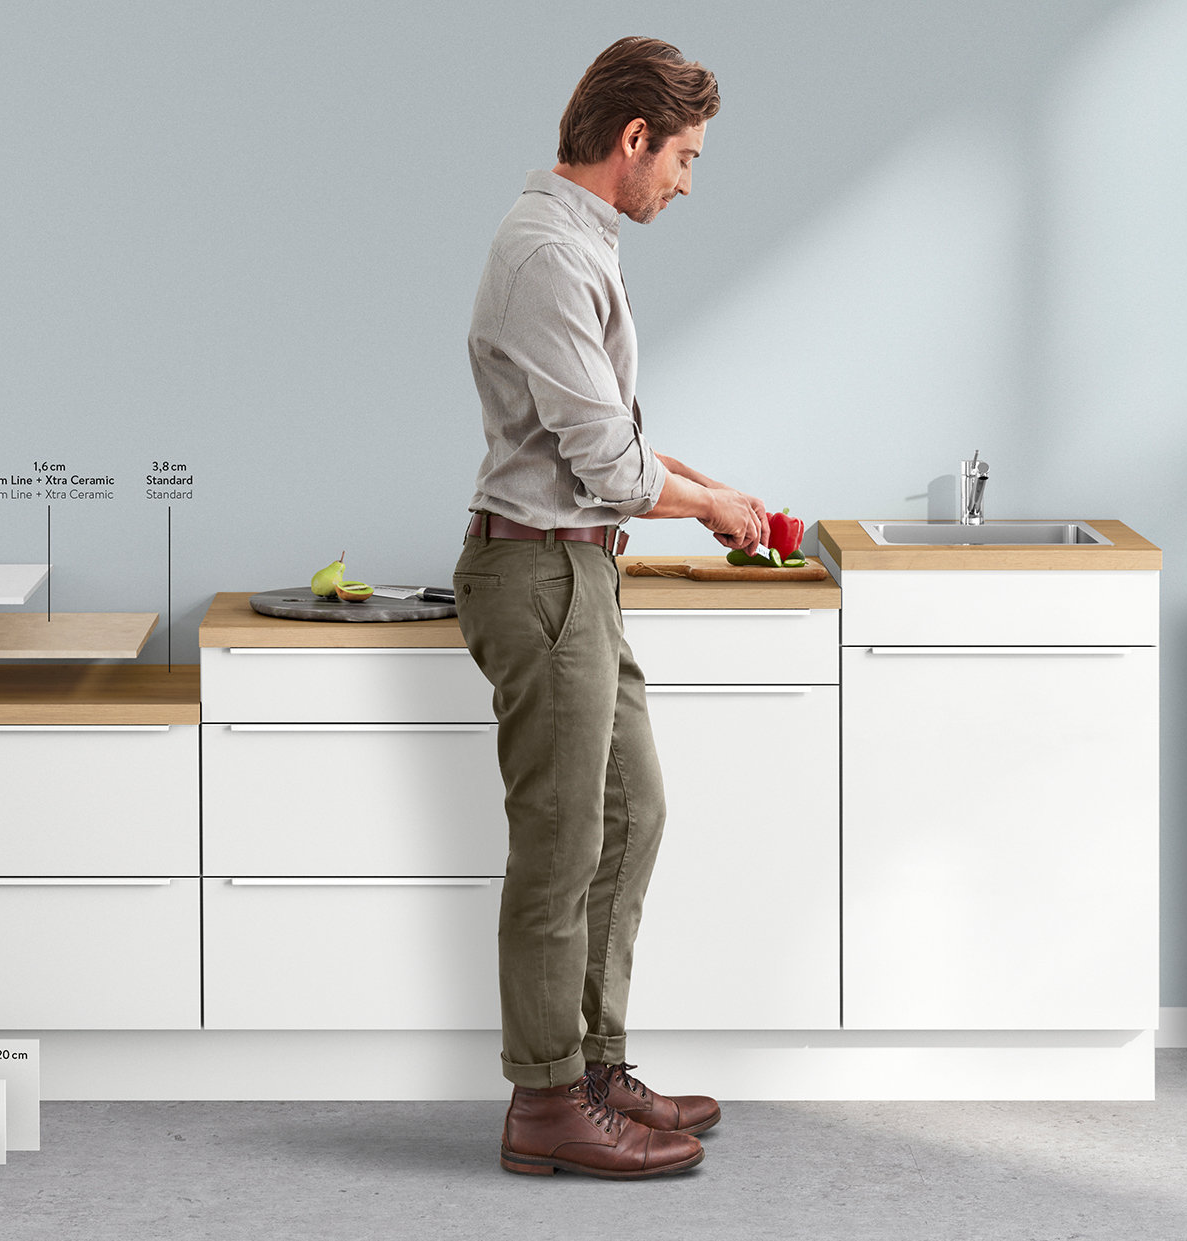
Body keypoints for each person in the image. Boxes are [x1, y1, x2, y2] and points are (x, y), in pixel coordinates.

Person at [454, 36, 769, 1180]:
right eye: (683, 155)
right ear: (632, 140)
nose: (688, 179)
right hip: (540, 574)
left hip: (579, 569)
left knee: (631, 815)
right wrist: (702, 505)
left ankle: (593, 1065)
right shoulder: (546, 253)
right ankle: (545, 1104)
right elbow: (612, 464)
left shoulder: (579, 242)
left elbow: (617, 444)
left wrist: (714, 491)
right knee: (560, 845)